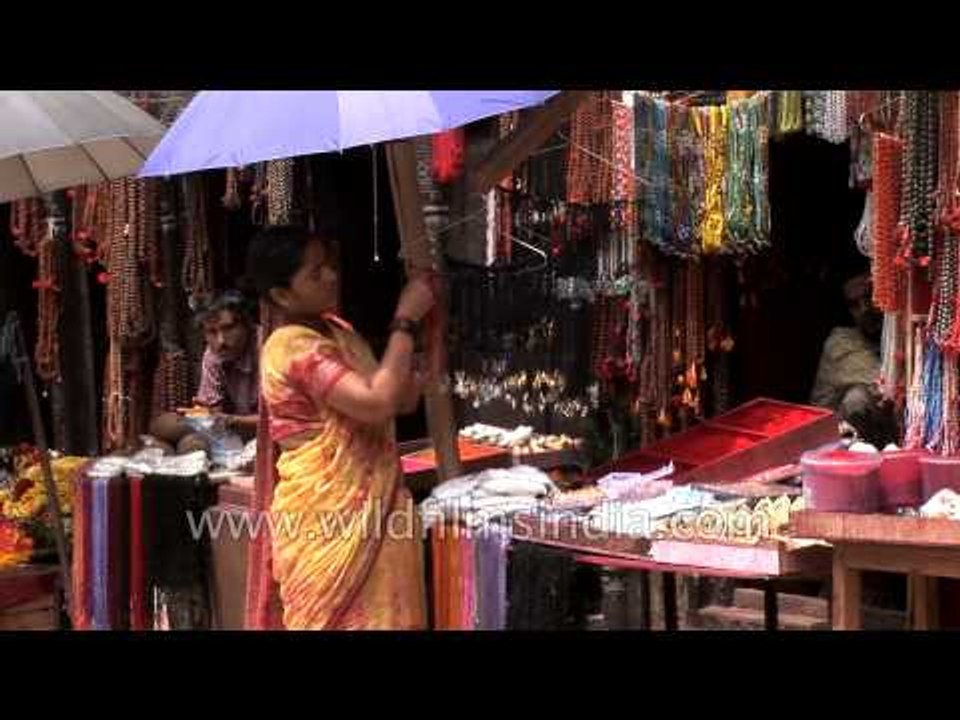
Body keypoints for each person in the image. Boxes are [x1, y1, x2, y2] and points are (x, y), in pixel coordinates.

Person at [247, 224, 434, 630]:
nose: (331, 276)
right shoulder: (291, 347)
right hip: (327, 521)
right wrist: (405, 321)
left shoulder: (338, 331)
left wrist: (424, 349)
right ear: (281, 294)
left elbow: (400, 400)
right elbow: (375, 402)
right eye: (315, 273)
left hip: (379, 513)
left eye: (328, 266)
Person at [148, 291, 260, 452]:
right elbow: (213, 409)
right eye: (212, 332)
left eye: (228, 328)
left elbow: (280, 419)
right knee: (167, 429)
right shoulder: (213, 355)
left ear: (247, 326)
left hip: (265, 432)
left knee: (192, 444)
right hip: (231, 430)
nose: (221, 341)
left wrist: (232, 420)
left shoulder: (266, 349)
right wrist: (203, 413)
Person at [810, 273, 883, 410]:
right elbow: (886, 384)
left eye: (869, 297)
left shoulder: (885, 337)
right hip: (834, 426)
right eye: (854, 304)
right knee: (857, 399)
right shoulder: (841, 342)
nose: (864, 309)